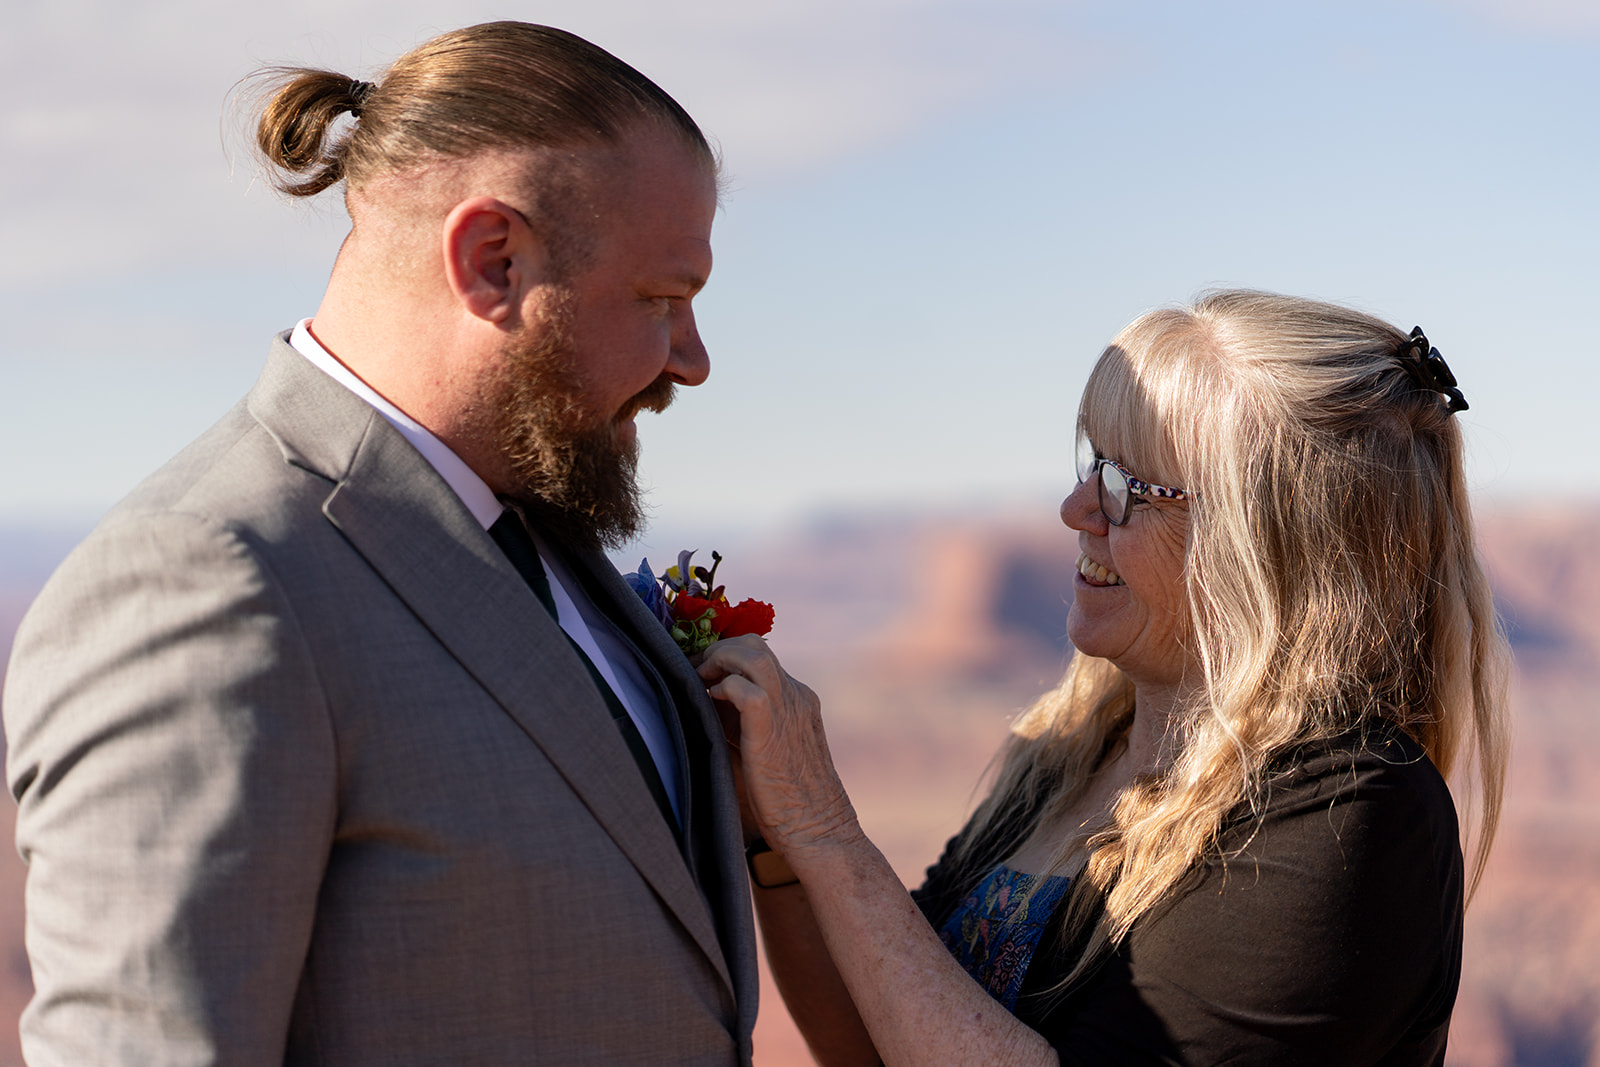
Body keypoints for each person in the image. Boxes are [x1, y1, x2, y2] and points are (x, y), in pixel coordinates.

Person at [3, 22, 757, 1066]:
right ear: (492, 262)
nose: (692, 359)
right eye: (663, 300)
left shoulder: (538, 532)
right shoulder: (208, 582)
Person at [699, 290, 1510, 1065]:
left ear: (1265, 549)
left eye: (1127, 488)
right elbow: (879, 1035)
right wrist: (775, 828)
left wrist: (827, 830)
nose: (1075, 508)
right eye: (1094, 463)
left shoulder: (1348, 813)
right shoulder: (1069, 755)